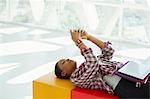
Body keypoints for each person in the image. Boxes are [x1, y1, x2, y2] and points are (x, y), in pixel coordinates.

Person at [55, 29, 149, 98]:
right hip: (122, 84)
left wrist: (89, 37)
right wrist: (78, 42)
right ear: (64, 73)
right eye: (64, 62)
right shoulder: (76, 78)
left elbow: (109, 51)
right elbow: (93, 63)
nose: (67, 59)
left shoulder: (86, 64)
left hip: (129, 73)